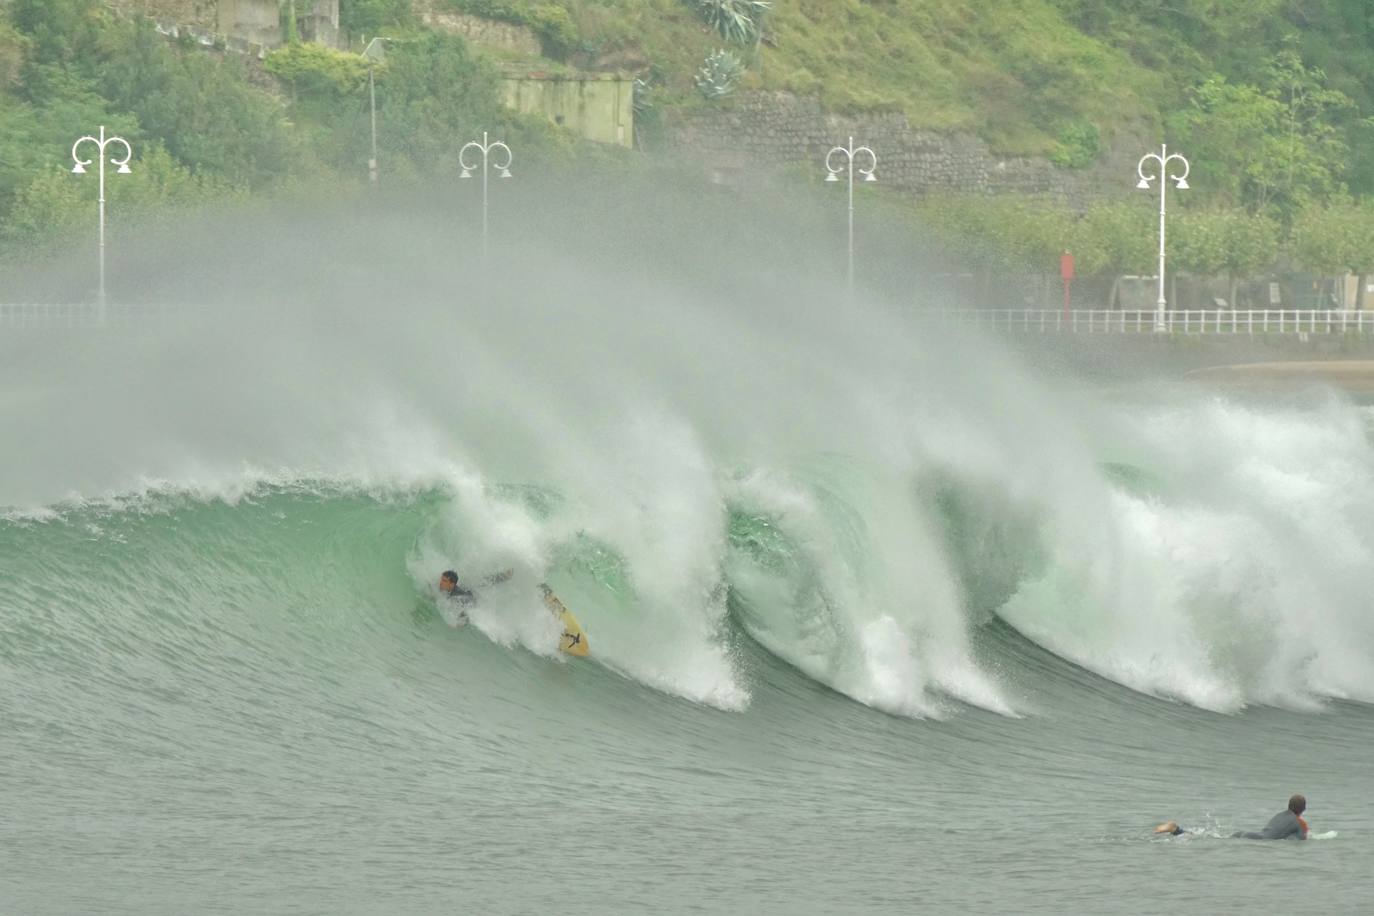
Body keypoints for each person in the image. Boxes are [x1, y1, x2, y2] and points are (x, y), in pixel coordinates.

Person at [438, 568, 513, 624]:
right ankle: (504, 576)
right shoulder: (445, 588)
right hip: (466, 588)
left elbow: (468, 607)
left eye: (444, 581)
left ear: (452, 584)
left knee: (482, 583)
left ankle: (504, 576)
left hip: (472, 597)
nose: (441, 583)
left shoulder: (457, 595)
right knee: (481, 582)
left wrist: (460, 622)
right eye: (441, 580)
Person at [1233, 794, 1309, 841]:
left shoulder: (1279, 815)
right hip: (1263, 840)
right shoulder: (1301, 823)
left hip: (1248, 834)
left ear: (1289, 805)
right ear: (1303, 808)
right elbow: (1300, 839)